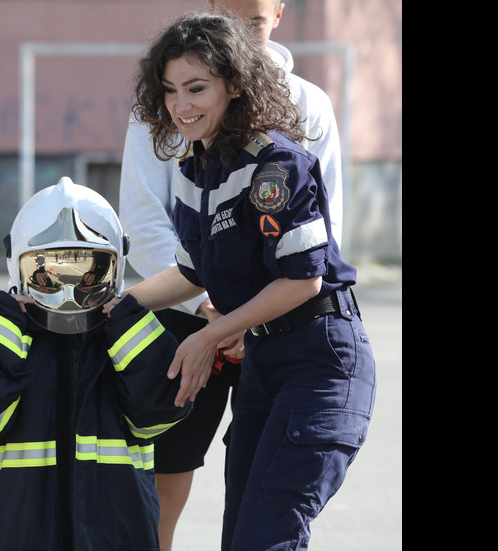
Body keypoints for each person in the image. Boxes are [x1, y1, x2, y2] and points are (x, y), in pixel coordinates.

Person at [106, 10, 375, 550]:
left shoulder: (276, 163)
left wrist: (209, 333)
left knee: (265, 536)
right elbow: (191, 271)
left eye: (197, 88)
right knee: (243, 539)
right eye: (170, 91)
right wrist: (107, 307)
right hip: (263, 369)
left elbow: (303, 280)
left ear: (233, 85)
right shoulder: (196, 171)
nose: (181, 106)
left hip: (319, 363)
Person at [0, 176, 193, 551]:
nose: (70, 293)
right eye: (49, 274)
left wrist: (127, 323)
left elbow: (160, 409)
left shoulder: (128, 340)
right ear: (18, 265)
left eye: (90, 272)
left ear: (117, 264)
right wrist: (6, 321)